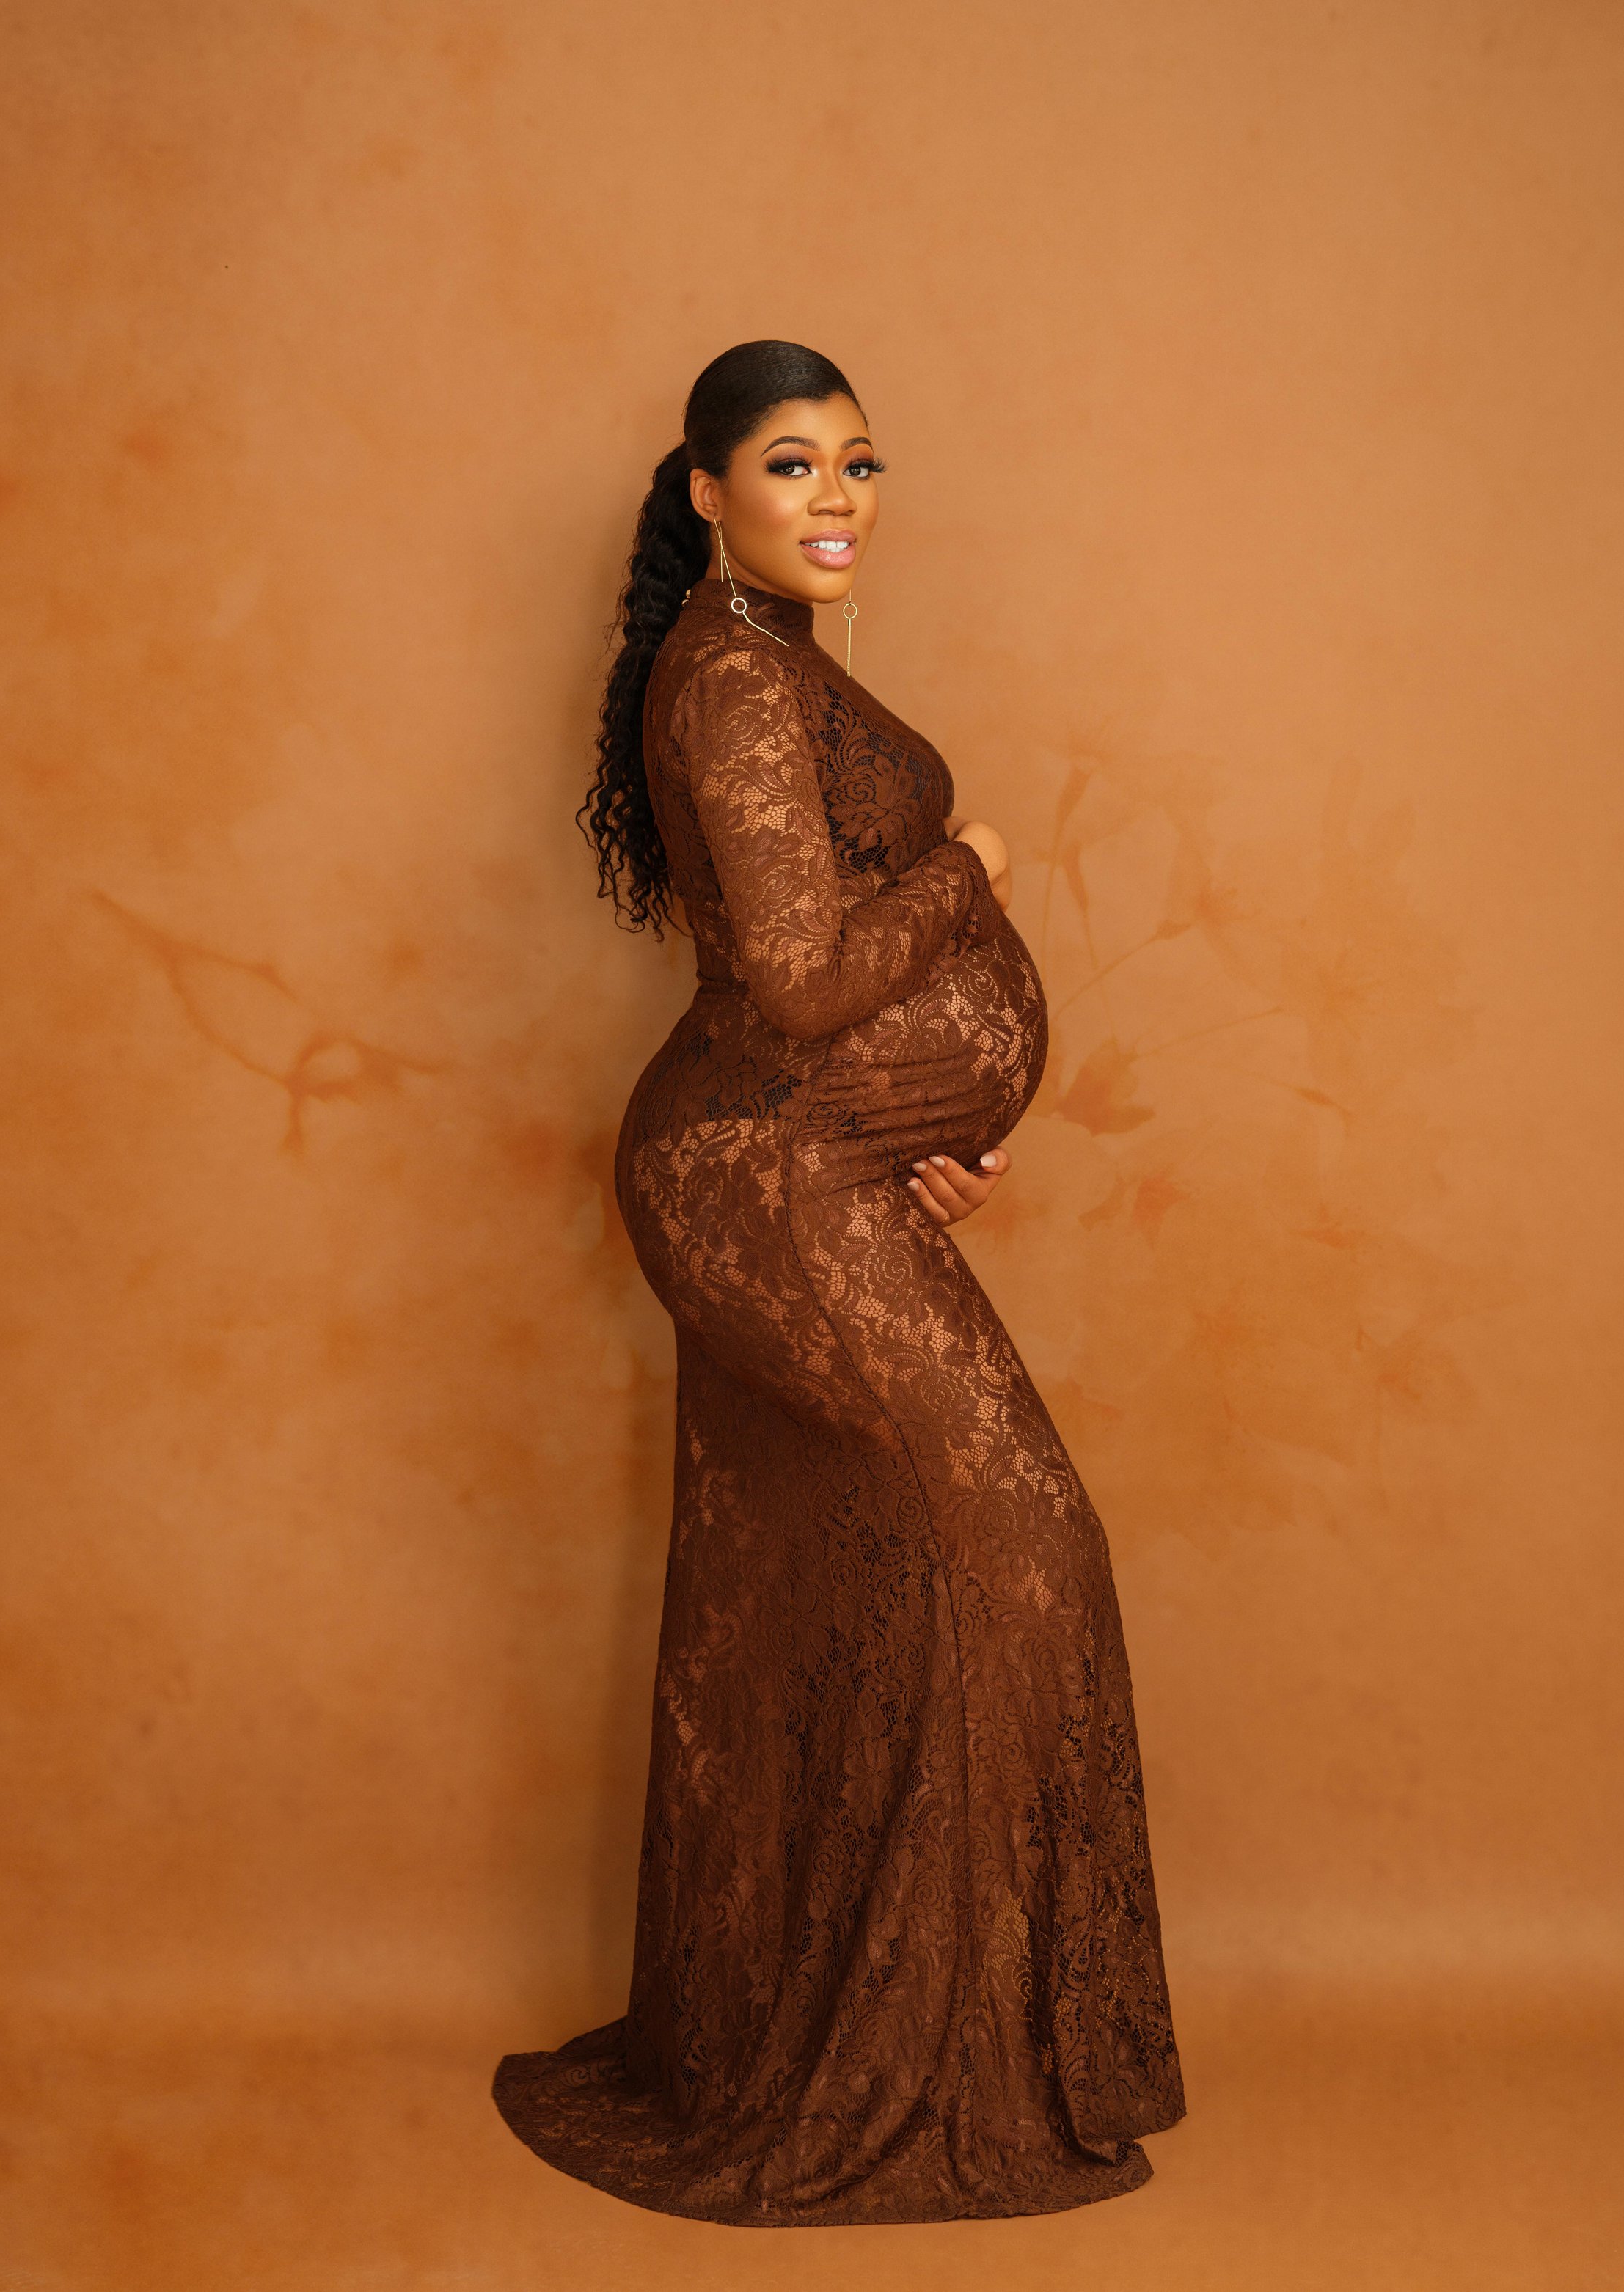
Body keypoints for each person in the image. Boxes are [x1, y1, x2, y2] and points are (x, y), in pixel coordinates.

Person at [494, 341, 1185, 2225]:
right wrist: (968, 877)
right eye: (790, 465)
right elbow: (795, 983)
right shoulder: (728, 675)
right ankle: (903, 2072)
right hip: (758, 1182)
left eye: (860, 465)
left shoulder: (776, 667)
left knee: (833, 1589)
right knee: (1018, 1550)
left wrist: (926, 1125)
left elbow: (802, 998)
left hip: (808, 1166)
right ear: (703, 491)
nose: (836, 500)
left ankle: (809, 2041)